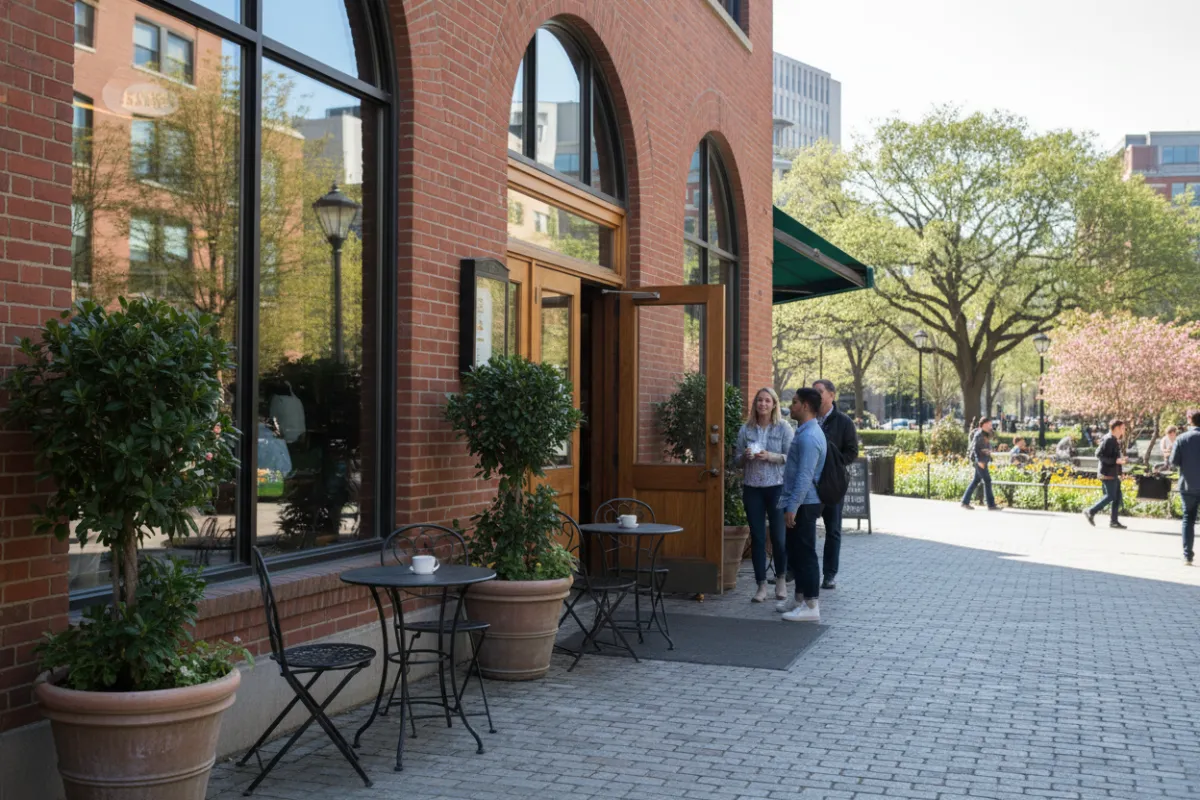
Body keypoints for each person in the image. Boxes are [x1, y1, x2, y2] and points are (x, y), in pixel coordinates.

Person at [734, 387, 794, 603]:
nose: (763, 404)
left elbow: (791, 457)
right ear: (755, 404)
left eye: (767, 401)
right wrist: (745, 457)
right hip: (752, 488)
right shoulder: (746, 429)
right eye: (759, 400)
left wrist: (771, 456)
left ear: (774, 404)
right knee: (758, 538)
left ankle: (780, 580)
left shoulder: (784, 428)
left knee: (778, 538)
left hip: (776, 487)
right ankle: (760, 586)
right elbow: (735, 460)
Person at [777, 388, 826, 622]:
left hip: (805, 503)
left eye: (795, 402)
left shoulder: (808, 436)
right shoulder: (805, 431)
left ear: (805, 406)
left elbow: (805, 476)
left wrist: (792, 507)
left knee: (805, 554)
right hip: (802, 502)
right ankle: (799, 600)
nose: (791, 406)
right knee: (797, 553)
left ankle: (811, 605)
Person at [813, 379, 858, 590]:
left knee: (833, 530)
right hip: (810, 483)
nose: (816, 395)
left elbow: (852, 452)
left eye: (819, 392)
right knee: (803, 528)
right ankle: (798, 570)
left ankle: (829, 575)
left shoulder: (844, 422)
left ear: (832, 395)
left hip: (832, 483)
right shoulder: (808, 418)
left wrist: (834, 460)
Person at [1084, 419, 1128, 529]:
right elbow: (1098, 454)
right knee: (1111, 496)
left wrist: (1120, 472)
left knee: (1117, 497)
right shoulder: (1109, 439)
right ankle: (1091, 511)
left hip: (1112, 472)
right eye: (1122, 428)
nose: (1124, 430)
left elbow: (1116, 458)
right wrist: (1116, 461)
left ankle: (1114, 521)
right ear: (1116, 428)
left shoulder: (1113, 439)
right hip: (1107, 473)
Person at [1169, 412, 1200, 565]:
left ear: (1190, 420)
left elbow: (1174, 462)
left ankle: (1188, 555)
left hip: (1188, 485)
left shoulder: (1182, 439)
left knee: (1188, 519)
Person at [960, 419, 1000, 510]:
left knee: (976, 480)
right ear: (984, 424)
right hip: (979, 461)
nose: (991, 426)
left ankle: (965, 502)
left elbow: (985, 447)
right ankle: (991, 505)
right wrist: (979, 461)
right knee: (987, 480)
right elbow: (975, 449)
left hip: (982, 461)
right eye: (989, 424)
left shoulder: (985, 434)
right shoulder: (979, 434)